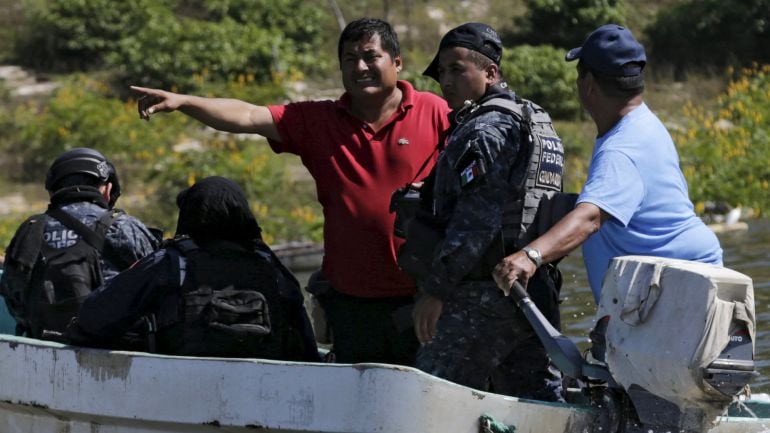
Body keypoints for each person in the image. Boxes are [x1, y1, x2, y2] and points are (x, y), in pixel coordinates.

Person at [131, 18, 451, 364]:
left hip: (424, 298)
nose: (360, 67)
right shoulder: (320, 120)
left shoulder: (436, 112)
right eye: (349, 59)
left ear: (397, 62)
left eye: (371, 56)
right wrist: (183, 101)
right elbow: (248, 116)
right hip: (351, 301)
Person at [493, 24, 723, 303]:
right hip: (682, 280)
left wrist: (531, 255)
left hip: (682, 290)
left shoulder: (621, 149)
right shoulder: (643, 122)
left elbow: (590, 218)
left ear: (588, 84)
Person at [403, 23, 565, 401]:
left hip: (483, 295)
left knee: (428, 397)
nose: (445, 80)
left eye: (457, 69)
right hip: (533, 291)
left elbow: (476, 222)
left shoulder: (485, 130)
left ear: (490, 72)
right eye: (441, 72)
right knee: (537, 407)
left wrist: (436, 291)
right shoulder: (533, 118)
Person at [67, 176, 320, 361]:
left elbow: (95, 317)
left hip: (178, 391)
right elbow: (307, 347)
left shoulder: (171, 261)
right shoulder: (271, 267)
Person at [0, 147, 160, 338]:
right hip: (115, 353)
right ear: (108, 190)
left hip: (41, 350)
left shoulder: (30, 229)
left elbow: (14, 298)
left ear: (53, 190)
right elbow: (158, 288)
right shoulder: (123, 227)